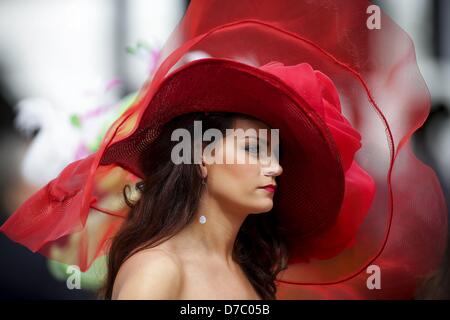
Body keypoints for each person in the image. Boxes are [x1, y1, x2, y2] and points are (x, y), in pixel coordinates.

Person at [1, 0, 447, 300]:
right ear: (198, 157)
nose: (274, 167)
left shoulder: (250, 270)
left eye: (276, 152)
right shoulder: (157, 270)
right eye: (254, 148)